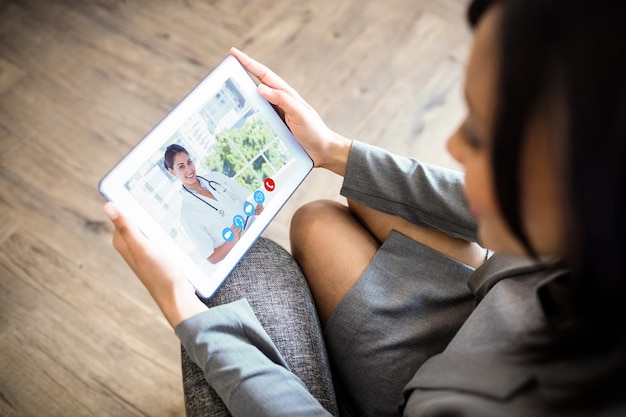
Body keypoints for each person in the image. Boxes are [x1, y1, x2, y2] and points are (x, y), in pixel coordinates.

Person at [103, 0, 626, 415]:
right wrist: (334, 151)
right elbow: (482, 207)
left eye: (479, 134)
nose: (452, 146)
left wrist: (182, 306)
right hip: (484, 315)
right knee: (318, 216)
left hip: (431, 394)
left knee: (244, 273)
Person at [163, 144, 263, 264]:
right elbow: (212, 258)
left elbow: (242, 203)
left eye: (189, 162)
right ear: (172, 172)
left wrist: (255, 208)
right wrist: (232, 242)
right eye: (181, 167)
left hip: (259, 233)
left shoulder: (215, 178)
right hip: (242, 256)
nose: (189, 169)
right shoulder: (187, 215)